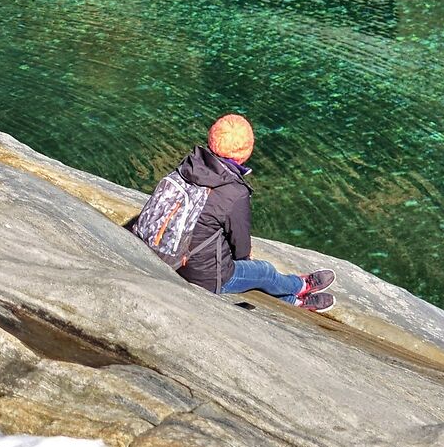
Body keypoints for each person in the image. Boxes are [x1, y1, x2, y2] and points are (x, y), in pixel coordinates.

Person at [133, 113, 335, 312]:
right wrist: (245, 259)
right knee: (264, 272)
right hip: (203, 276)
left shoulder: (189, 166)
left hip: (164, 253)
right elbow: (240, 244)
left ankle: (295, 298)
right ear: (245, 152)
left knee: (253, 270)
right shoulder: (234, 191)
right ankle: (299, 289)